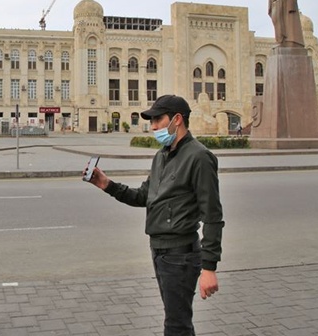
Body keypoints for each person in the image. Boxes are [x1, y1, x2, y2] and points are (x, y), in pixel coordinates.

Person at [85, 94, 225, 335]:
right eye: (151, 122)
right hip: (159, 251)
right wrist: (107, 185)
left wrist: (209, 267)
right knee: (176, 321)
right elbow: (144, 196)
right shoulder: (161, 156)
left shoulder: (199, 157)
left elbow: (212, 215)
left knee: (176, 325)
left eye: (158, 120)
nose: (153, 127)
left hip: (180, 255)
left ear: (177, 119)